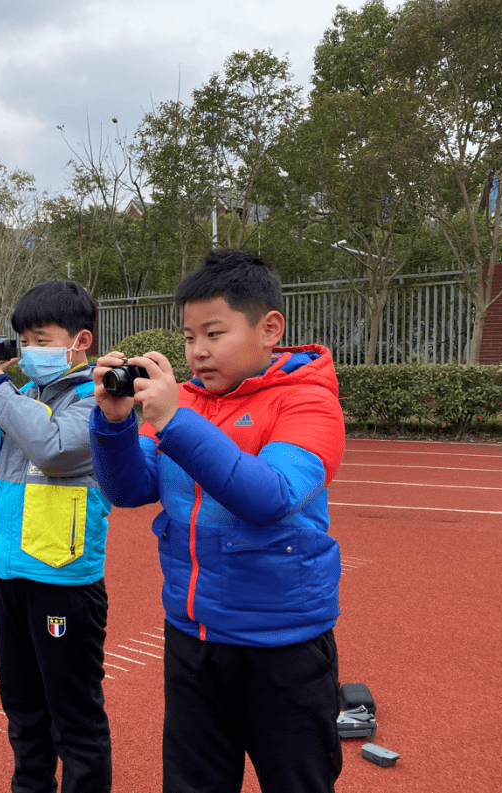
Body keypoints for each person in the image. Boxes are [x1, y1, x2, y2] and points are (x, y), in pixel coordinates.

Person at [89, 250, 345, 793]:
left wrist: (174, 419)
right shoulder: (187, 403)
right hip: (192, 639)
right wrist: (113, 424)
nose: (198, 352)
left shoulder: (309, 402)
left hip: (284, 646)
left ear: (269, 328)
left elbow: (270, 497)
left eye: (214, 333)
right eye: (188, 337)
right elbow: (130, 488)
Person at [0, 279, 112, 793]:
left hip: (63, 577)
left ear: (81, 340)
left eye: (43, 339)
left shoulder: (98, 398)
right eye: (24, 340)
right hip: (10, 567)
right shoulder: (23, 395)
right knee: (23, 708)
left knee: (74, 715)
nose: (31, 352)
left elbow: (53, 449)